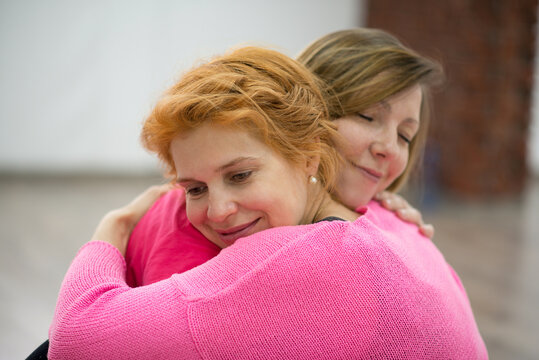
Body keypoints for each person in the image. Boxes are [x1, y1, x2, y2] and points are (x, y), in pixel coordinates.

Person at [48, 46, 487, 359]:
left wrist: (115, 226)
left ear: (309, 153)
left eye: (241, 175)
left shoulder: (307, 259)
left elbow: (74, 341)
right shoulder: (386, 222)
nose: (217, 211)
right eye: (194, 189)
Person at [125, 28, 443, 286]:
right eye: (366, 116)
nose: (388, 147)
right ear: (306, 117)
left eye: (405, 136)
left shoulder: (371, 221)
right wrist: (112, 233)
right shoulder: (191, 230)